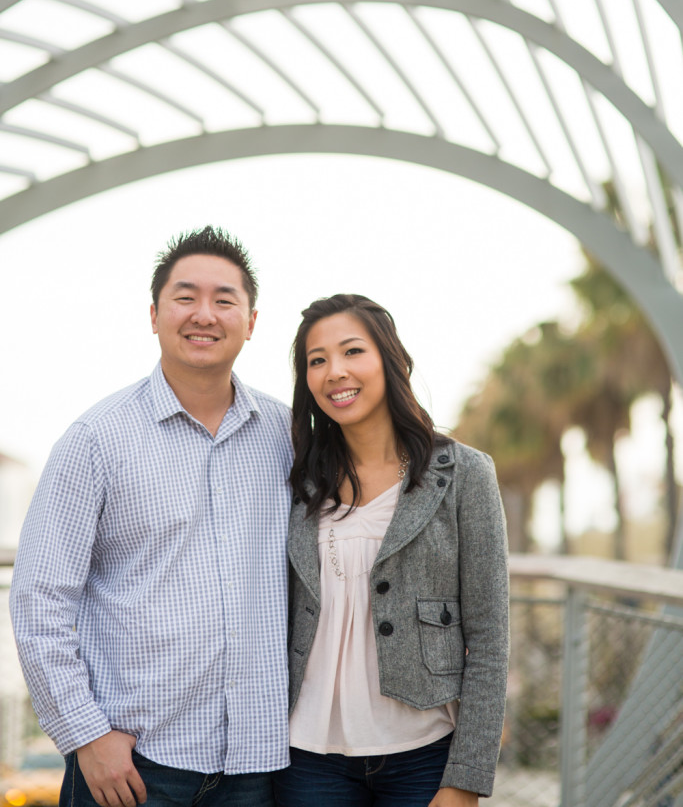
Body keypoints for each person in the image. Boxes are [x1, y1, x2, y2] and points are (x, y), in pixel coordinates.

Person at [10, 226, 292, 807]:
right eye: (185, 297)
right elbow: (39, 599)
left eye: (224, 300)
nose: (204, 315)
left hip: (258, 768)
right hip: (131, 767)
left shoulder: (290, 438)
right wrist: (86, 735)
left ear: (252, 320)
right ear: (154, 314)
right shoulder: (96, 439)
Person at [273, 294, 509, 807]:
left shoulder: (465, 474)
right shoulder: (296, 482)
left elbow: (490, 638)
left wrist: (465, 778)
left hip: (423, 755)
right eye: (317, 360)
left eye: (352, 351)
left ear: (391, 361)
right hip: (307, 756)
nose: (335, 371)